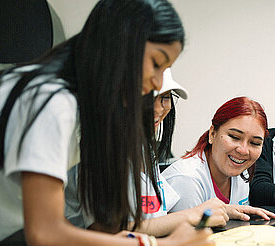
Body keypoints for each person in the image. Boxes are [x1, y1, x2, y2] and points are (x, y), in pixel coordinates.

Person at [0, 0, 214, 246]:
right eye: (156, 64)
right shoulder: (51, 100)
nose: (156, 84)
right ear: (120, 44)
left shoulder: (82, 108)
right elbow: (45, 236)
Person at [65, 68, 230, 236]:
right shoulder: (98, 153)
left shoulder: (143, 147)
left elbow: (158, 214)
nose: (158, 109)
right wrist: (193, 215)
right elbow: (107, 231)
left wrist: (219, 210)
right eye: (148, 99)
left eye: (165, 97)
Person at [162, 97, 275, 221]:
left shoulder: (241, 174)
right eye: (234, 137)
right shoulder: (186, 180)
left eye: (254, 143)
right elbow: (187, 238)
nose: (243, 150)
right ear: (212, 134)